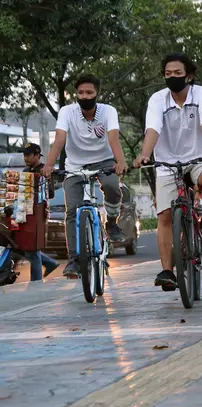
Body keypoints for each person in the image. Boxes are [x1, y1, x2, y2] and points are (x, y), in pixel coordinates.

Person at [133, 52, 202, 290]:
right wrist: (145, 154)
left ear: (189, 75)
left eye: (177, 73)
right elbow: (152, 129)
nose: (172, 77)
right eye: (167, 74)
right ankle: (167, 270)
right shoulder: (157, 99)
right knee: (164, 216)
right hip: (167, 162)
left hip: (200, 157)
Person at [42, 74, 128, 278]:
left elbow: (113, 139)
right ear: (75, 95)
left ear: (97, 93)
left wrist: (121, 161)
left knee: (113, 188)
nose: (84, 96)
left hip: (105, 161)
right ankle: (74, 259)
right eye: (80, 93)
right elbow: (60, 139)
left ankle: (112, 222)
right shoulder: (67, 112)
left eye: (89, 92)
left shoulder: (108, 111)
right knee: (71, 210)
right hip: (75, 165)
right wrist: (48, 165)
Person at [16, 143, 59, 281]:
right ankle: (50, 263)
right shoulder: (25, 170)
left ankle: (36, 282)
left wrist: (44, 182)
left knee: (33, 249)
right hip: (24, 211)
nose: (25, 158)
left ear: (37, 155)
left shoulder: (45, 170)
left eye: (28, 155)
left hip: (38, 213)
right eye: (24, 155)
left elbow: (50, 193)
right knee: (21, 245)